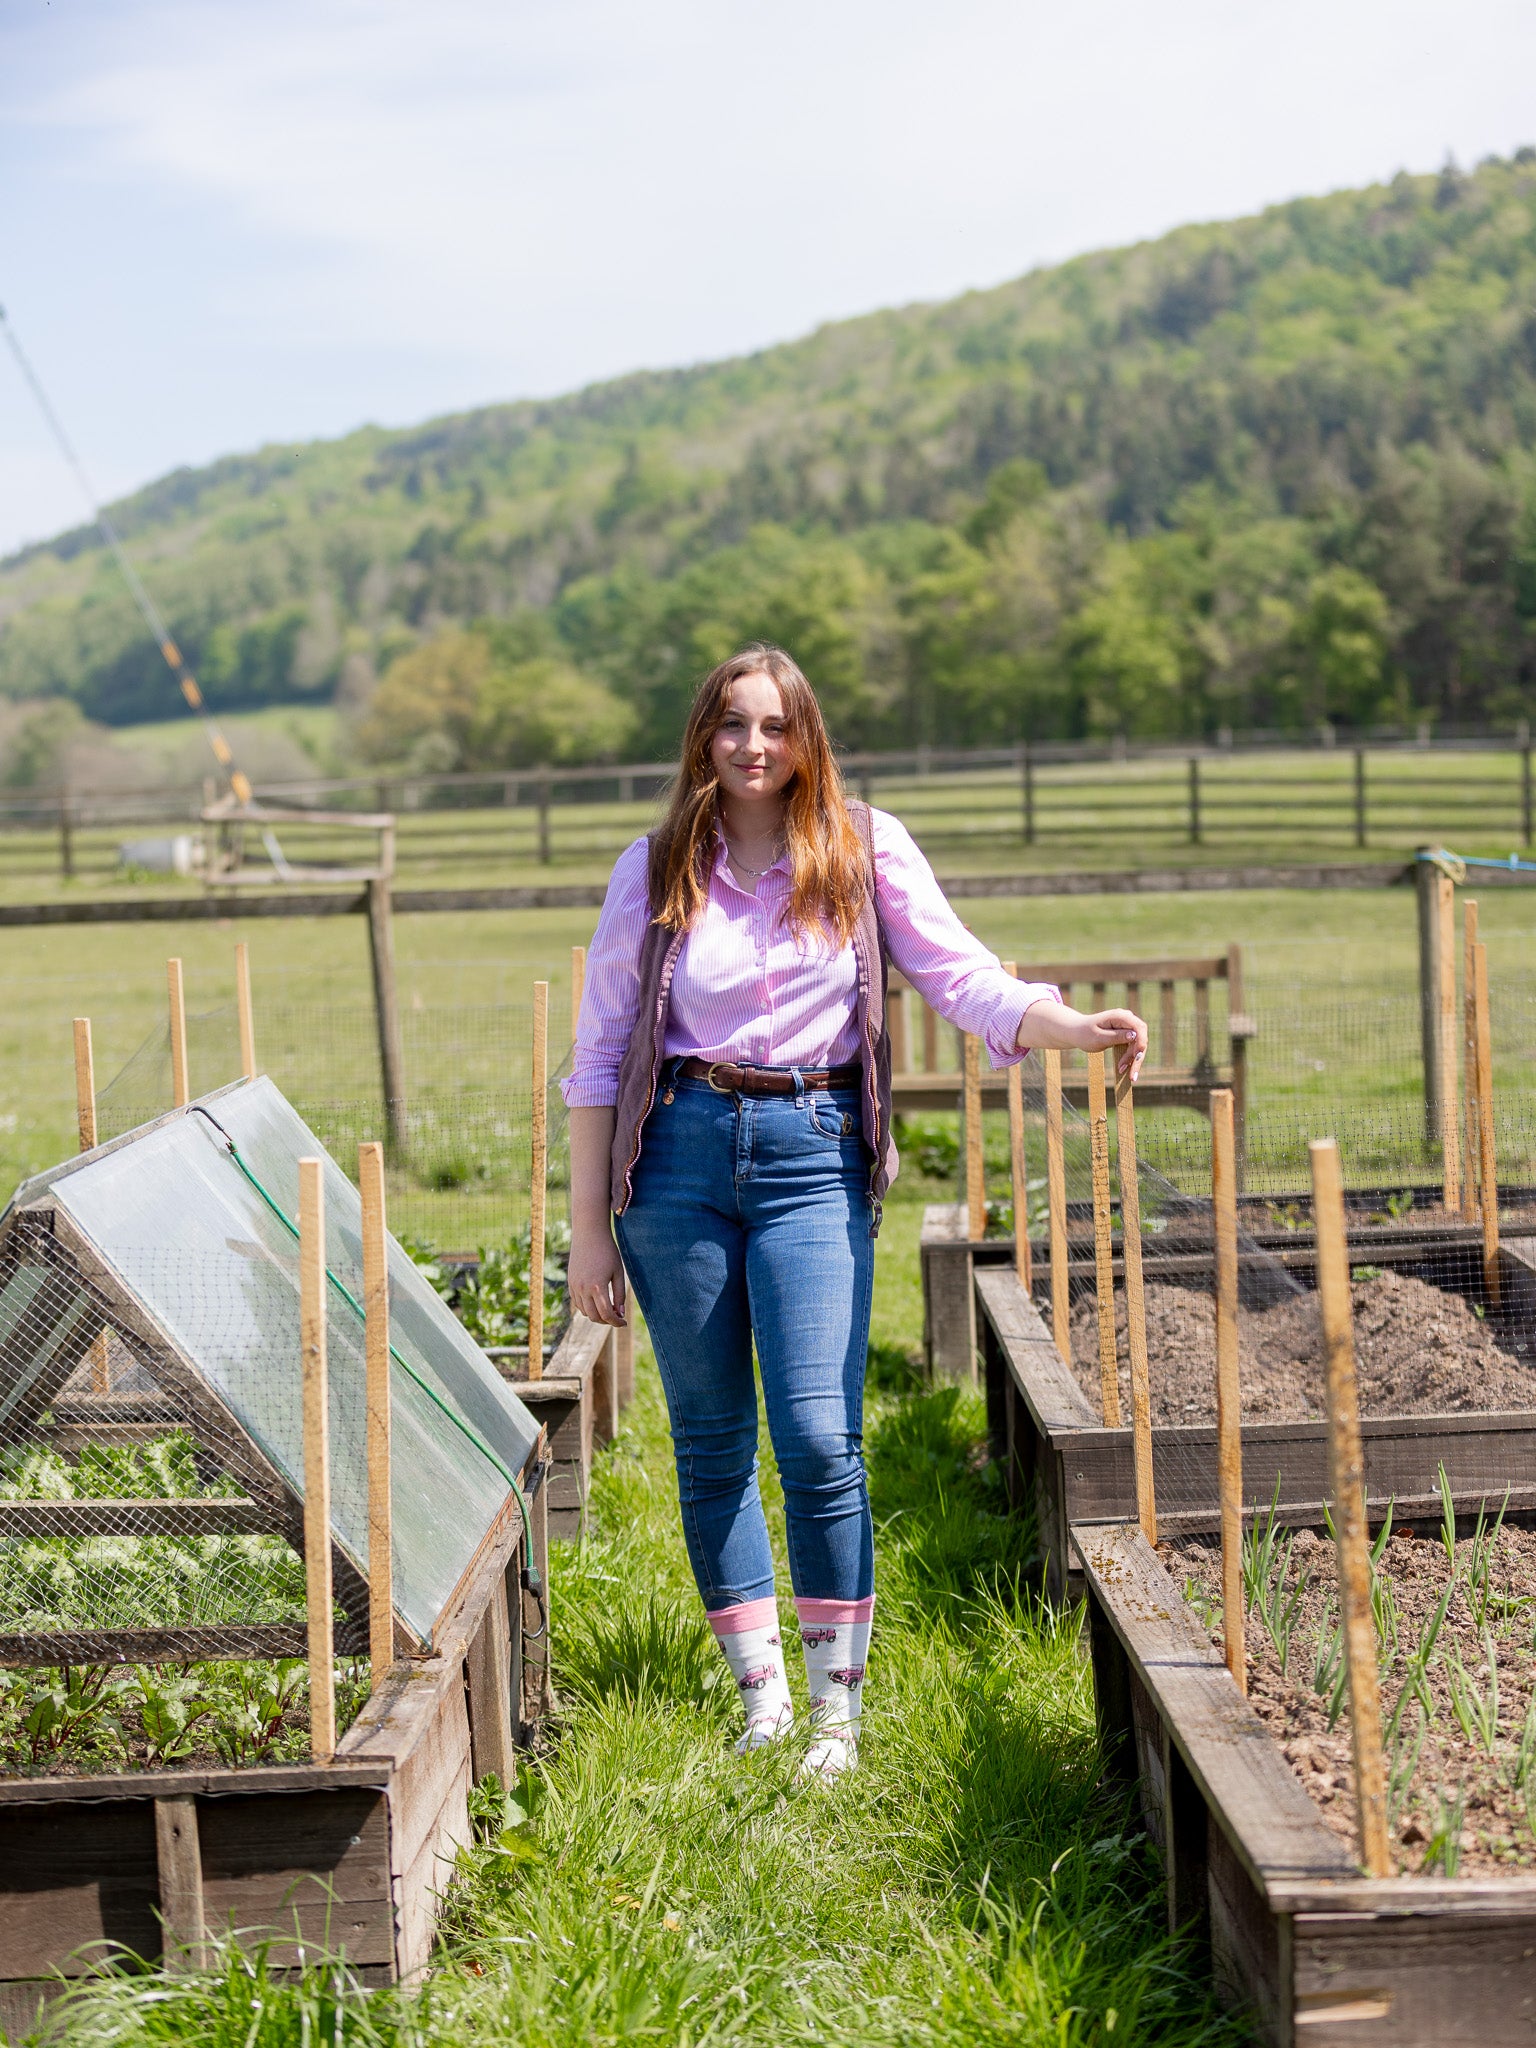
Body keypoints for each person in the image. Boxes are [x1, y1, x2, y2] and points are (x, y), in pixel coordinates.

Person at [562, 645, 1147, 1780]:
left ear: (806, 735)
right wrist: (590, 1228)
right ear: (703, 736)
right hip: (675, 1158)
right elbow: (595, 1055)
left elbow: (959, 974)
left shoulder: (863, 846)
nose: (752, 747)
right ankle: (763, 1701)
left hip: (810, 1152)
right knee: (715, 1441)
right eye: (732, 725)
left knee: (823, 1437)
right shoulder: (655, 865)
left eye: (775, 725)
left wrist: (1061, 1022)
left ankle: (838, 1711)